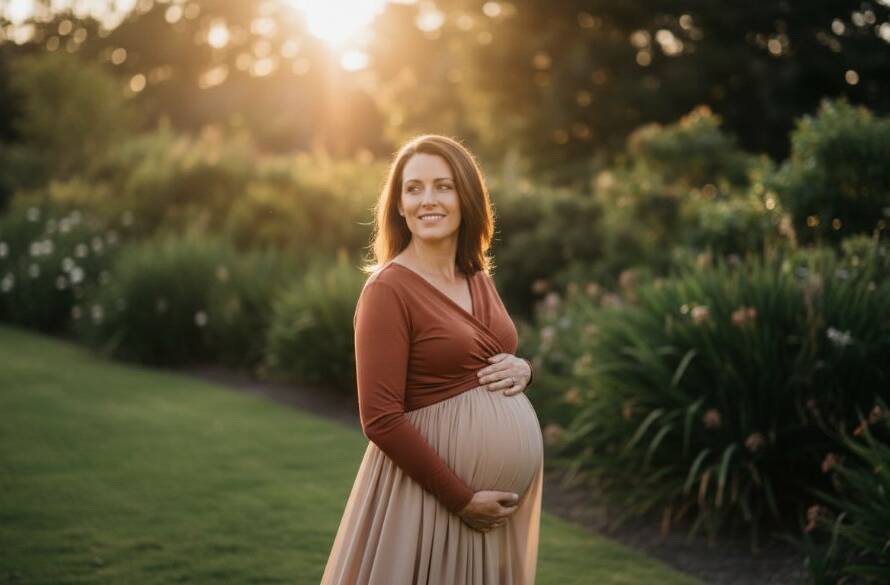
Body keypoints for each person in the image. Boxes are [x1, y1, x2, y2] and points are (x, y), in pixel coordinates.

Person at [320, 134, 544, 585]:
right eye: (414, 188)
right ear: (399, 206)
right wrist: (461, 498)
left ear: (467, 197)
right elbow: (380, 418)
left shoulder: (476, 273)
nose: (428, 200)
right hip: (431, 500)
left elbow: (492, 355)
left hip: (487, 508)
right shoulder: (388, 290)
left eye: (443, 186)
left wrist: (524, 369)